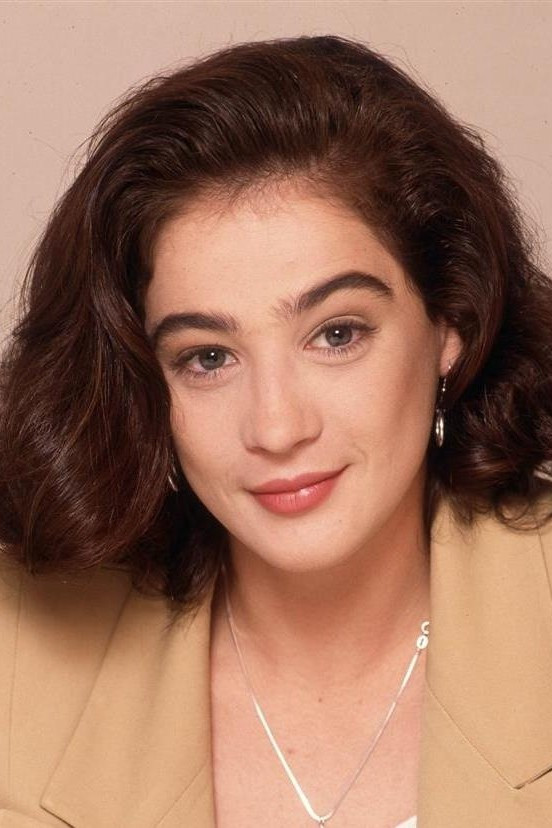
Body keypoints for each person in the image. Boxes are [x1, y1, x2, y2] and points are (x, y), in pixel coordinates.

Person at [1, 34, 551, 828]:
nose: (276, 426)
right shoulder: (20, 654)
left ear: (449, 322)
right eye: (208, 357)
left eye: (336, 334)